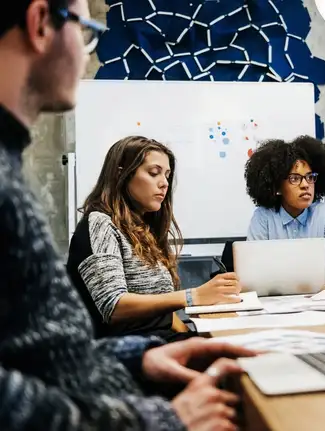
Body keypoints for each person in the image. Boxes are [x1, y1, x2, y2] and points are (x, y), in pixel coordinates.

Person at [0, 0, 256, 429]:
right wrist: (160, 420)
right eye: (84, 29)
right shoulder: (93, 220)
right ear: (41, 23)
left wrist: (139, 360)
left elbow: (43, 356)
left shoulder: (9, 166)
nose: (86, 51)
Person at [67, 136, 242, 341]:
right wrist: (192, 297)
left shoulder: (143, 230)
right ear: (121, 174)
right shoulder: (100, 224)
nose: (164, 184)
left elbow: (163, 316)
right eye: (153, 173)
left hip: (158, 342)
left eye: (167, 176)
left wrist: (198, 337)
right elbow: (114, 306)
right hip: (127, 352)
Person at [244, 135, 325, 286]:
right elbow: (253, 277)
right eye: (295, 178)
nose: (305, 185)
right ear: (277, 187)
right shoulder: (263, 217)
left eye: (310, 177)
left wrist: (280, 280)